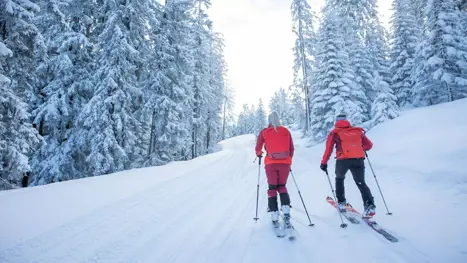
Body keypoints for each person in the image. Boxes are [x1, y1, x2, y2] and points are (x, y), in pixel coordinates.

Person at [320, 114, 376, 217]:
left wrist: (324, 163)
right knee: (361, 183)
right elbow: (369, 146)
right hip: (358, 160)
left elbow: (329, 149)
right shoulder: (357, 131)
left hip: (343, 161)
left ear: (336, 122)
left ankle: (341, 203)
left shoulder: (334, 133)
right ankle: (370, 206)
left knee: (339, 179)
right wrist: (359, 147)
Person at [255, 112, 295, 223]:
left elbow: (258, 146)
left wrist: (259, 153)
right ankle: (286, 209)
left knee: (272, 188)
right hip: (285, 163)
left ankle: (274, 213)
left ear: (269, 120)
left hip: (270, 164)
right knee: (282, 186)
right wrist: (288, 160)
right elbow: (291, 148)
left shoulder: (265, 132)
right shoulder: (286, 131)